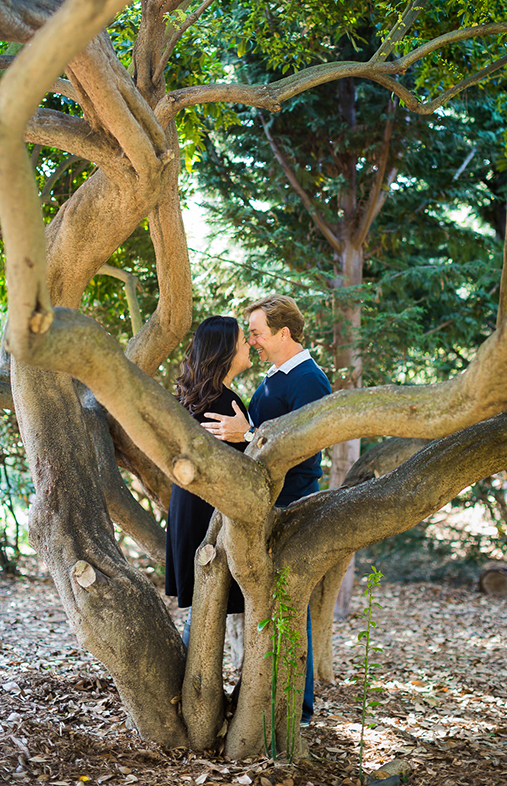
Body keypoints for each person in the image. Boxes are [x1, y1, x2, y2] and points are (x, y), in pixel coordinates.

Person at [202, 294, 331, 724]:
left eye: (256, 332)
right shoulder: (276, 376)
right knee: (267, 604)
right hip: (263, 503)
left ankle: (301, 709)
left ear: (284, 333)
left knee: (290, 604)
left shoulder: (309, 380)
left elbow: (305, 447)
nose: (252, 340)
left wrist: (249, 432)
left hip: (290, 504)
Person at [165, 315, 251, 647]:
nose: (248, 346)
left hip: (189, 510)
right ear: (226, 350)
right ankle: (191, 689)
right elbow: (242, 466)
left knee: (204, 610)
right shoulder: (223, 403)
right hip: (207, 516)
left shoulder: (198, 398)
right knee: (207, 610)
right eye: (243, 340)